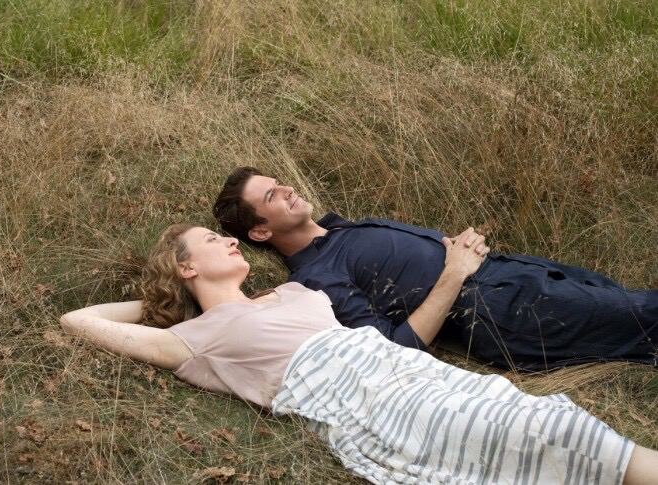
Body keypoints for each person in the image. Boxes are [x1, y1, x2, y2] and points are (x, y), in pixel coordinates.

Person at [59, 224, 658, 484]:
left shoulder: (297, 290)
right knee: (534, 433)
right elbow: (77, 321)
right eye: (212, 241)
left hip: (404, 368)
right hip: (358, 399)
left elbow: (393, 338)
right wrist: (165, 299)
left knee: (545, 415)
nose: (230, 240)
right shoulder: (197, 338)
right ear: (187, 267)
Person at [212, 167, 658, 372]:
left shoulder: (339, 229)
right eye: (271, 196)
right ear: (261, 232)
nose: (287, 189)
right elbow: (394, 348)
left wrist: (463, 247)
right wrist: (455, 272)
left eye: (278, 182)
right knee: (645, 314)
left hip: (511, 272)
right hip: (501, 311)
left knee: (629, 311)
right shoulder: (316, 279)